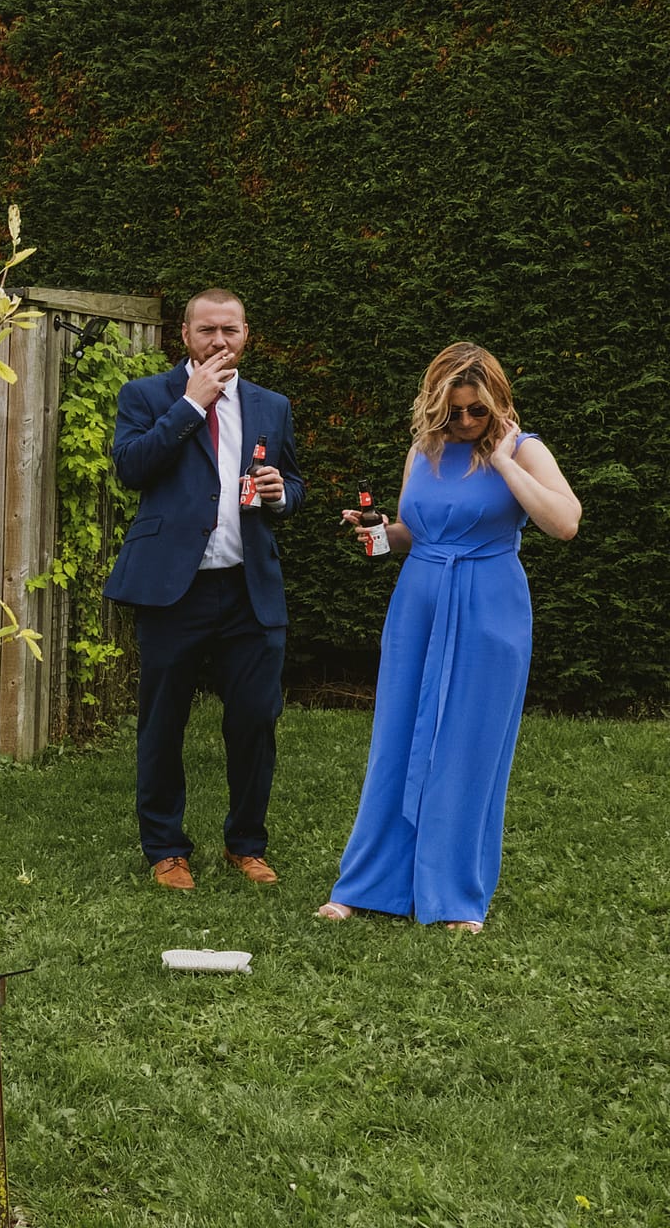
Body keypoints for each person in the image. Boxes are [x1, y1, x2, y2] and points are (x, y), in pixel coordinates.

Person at [318, 343, 578, 933]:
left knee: (468, 746)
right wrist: (380, 532)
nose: (463, 421)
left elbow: (565, 523)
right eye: (453, 410)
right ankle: (368, 884)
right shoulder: (423, 449)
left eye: (476, 411)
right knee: (396, 738)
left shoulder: (525, 449)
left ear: (497, 403)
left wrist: (504, 461)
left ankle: (454, 895)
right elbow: (417, 531)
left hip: (490, 607)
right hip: (418, 603)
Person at [103, 289, 305, 890]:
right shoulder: (146, 395)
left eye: (231, 330)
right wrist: (191, 404)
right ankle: (166, 848)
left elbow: (295, 484)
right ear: (186, 335)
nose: (220, 341)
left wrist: (281, 494)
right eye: (208, 330)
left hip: (249, 588)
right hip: (174, 589)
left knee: (255, 720)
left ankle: (246, 844)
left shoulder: (272, 405)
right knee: (162, 722)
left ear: (246, 335)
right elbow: (131, 467)